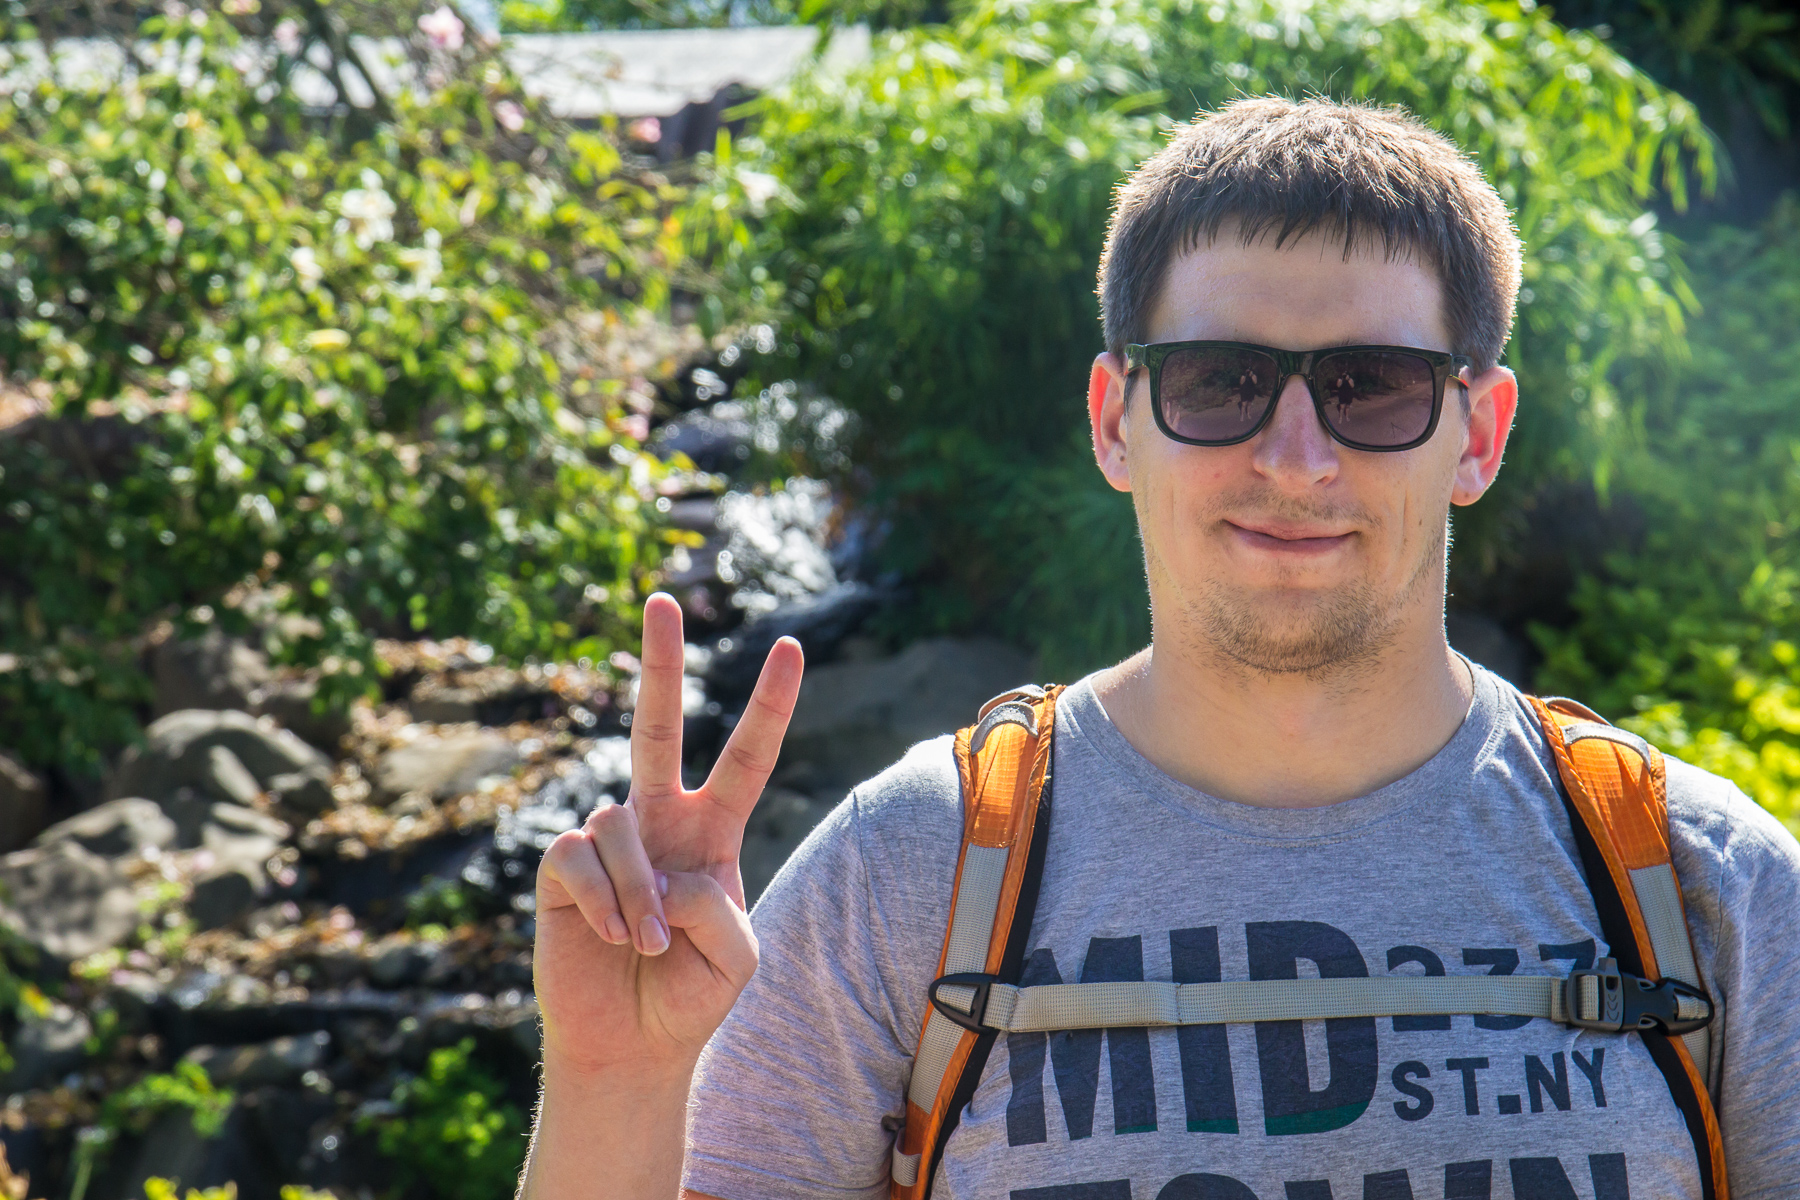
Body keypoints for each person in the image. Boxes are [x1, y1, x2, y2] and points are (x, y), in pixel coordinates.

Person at [517, 98, 1800, 1200]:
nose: (1294, 458)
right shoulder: (906, 873)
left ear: (1478, 434)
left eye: (1373, 386)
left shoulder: (1708, 889)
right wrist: (614, 1080)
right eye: (1219, 382)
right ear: (1114, 419)